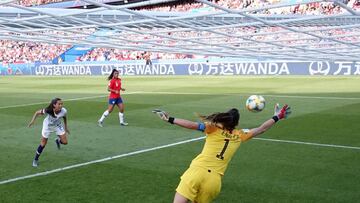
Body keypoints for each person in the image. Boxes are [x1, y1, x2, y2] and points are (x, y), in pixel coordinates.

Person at [152, 104, 291, 203]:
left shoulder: (213, 128)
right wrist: (277, 116)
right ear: (236, 123)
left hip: (196, 172)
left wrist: (169, 119)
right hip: (214, 181)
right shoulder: (240, 135)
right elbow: (261, 129)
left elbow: (191, 124)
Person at [28, 98, 70, 167]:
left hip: (57, 125)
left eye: (62, 104)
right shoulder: (48, 110)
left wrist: (66, 127)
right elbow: (37, 112)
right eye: (59, 104)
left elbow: (64, 117)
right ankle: (35, 160)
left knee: (65, 142)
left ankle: (58, 141)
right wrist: (32, 121)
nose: (61, 105)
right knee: (43, 144)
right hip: (47, 126)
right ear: (54, 105)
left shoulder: (64, 111)